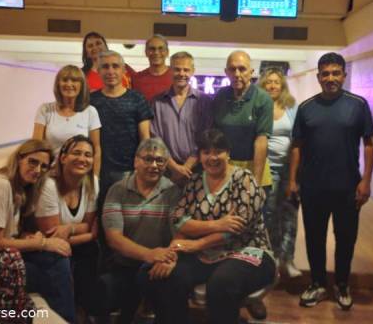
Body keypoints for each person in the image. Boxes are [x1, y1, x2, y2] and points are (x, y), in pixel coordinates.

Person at [140, 129, 275, 324]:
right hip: (204, 255)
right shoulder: (194, 183)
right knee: (155, 274)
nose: (212, 157)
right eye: (206, 152)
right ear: (200, 156)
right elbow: (179, 220)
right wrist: (172, 254)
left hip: (246, 250)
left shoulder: (245, 180)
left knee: (222, 283)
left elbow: (238, 229)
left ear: (228, 153)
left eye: (218, 151)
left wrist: (198, 243)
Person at [288, 52, 373, 310]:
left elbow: (369, 144)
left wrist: (366, 181)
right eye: (325, 74)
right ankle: (317, 283)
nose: (330, 78)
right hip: (313, 187)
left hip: (348, 187)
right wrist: (293, 180)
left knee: (345, 238)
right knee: (315, 238)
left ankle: (342, 284)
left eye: (335, 73)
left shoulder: (358, 105)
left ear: (344, 76)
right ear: (318, 77)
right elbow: (297, 146)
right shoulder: (306, 108)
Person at [0, 140, 75, 323]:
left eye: (43, 166)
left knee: (58, 259)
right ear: (19, 159)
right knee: (56, 273)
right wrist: (42, 243)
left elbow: (7, 235)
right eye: (32, 162)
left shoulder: (16, 189)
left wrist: (29, 238)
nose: (38, 170)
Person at [211, 50, 273, 319]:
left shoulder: (262, 98)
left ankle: (254, 292)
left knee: (252, 233)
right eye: (232, 69)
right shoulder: (219, 97)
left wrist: (254, 185)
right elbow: (215, 137)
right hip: (225, 170)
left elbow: (261, 141)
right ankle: (230, 289)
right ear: (226, 72)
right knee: (228, 230)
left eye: (242, 69)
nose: (237, 74)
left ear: (251, 72)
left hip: (253, 170)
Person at [99, 138, 180, 323]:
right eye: (148, 159)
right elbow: (114, 239)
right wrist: (149, 254)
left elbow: (179, 233)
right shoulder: (117, 190)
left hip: (157, 265)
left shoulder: (173, 191)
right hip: (124, 264)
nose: (154, 165)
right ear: (136, 161)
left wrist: (171, 260)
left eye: (160, 160)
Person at [35, 135, 99, 316]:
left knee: (92, 252)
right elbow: (54, 239)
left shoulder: (92, 182)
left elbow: (88, 223)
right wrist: (89, 234)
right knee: (64, 259)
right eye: (76, 153)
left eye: (88, 154)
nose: (82, 159)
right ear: (63, 158)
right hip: (47, 250)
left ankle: (87, 313)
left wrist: (70, 229)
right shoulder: (48, 185)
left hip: (76, 246)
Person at [90, 50, 153, 211]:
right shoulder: (91, 101)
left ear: (123, 70)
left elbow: (145, 138)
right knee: (102, 217)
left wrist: (142, 169)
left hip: (131, 171)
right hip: (100, 172)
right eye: (105, 67)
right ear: (98, 70)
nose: (110, 71)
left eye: (115, 66)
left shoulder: (137, 99)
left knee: (130, 219)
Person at [258, 68, 301, 277]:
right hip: (268, 169)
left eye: (276, 82)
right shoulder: (258, 107)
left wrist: (294, 176)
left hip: (290, 170)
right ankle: (275, 255)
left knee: (290, 214)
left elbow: (298, 142)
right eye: (268, 82)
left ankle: (289, 258)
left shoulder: (292, 107)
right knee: (270, 213)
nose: (273, 85)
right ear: (263, 85)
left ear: (282, 85)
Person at [151, 51, 212, 186]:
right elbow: (156, 138)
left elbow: (205, 136)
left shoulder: (204, 101)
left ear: (193, 71)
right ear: (170, 70)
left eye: (186, 70)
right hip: (166, 171)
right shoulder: (157, 102)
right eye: (177, 69)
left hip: (197, 171)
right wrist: (174, 168)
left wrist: (187, 167)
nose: (182, 74)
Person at [33, 64, 102, 175]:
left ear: (81, 85)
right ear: (58, 84)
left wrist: (95, 178)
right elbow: (36, 146)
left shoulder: (90, 111)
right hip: (51, 174)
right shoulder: (45, 109)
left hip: (80, 175)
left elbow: (96, 149)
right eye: (65, 80)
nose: (69, 84)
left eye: (74, 80)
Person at [131, 34, 173, 102]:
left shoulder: (176, 77)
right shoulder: (137, 79)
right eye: (152, 49)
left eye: (160, 48)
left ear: (167, 52)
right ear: (146, 52)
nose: (156, 52)